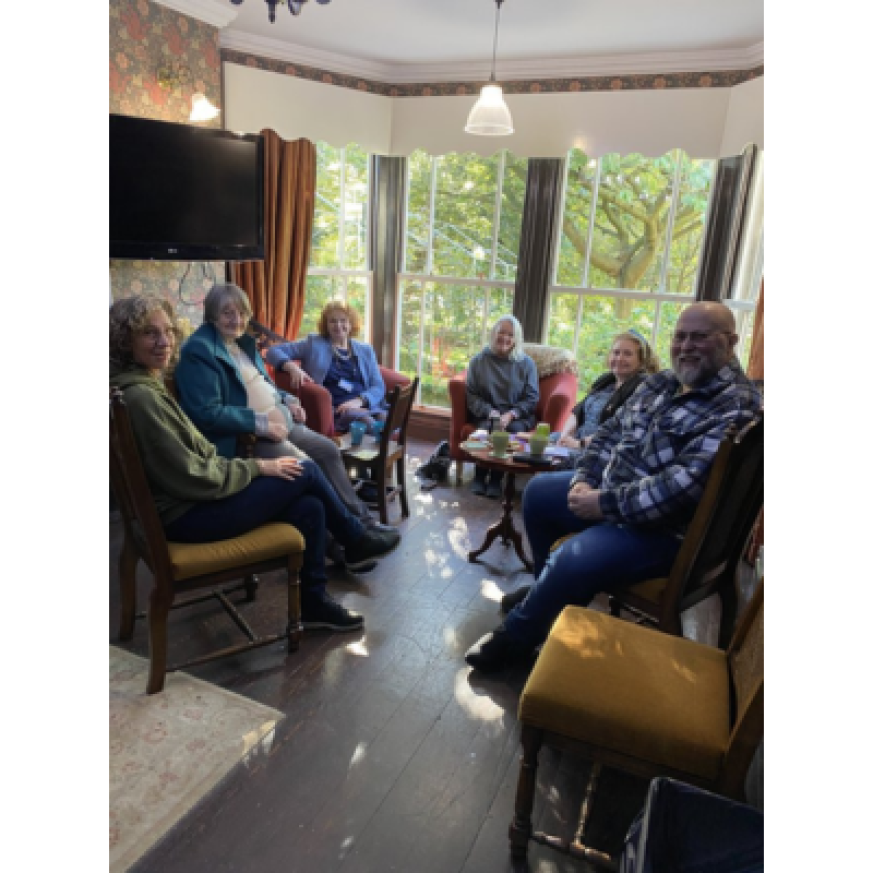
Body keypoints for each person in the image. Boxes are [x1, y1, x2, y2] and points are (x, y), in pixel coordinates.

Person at [465, 302, 762, 672]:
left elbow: (681, 487)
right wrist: (583, 479)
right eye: (680, 336)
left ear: (730, 342)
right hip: (611, 496)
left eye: (699, 337)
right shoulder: (660, 383)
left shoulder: (737, 404)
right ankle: (548, 591)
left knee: (574, 557)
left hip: (665, 531)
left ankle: (517, 638)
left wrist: (604, 504)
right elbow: (606, 434)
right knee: (540, 493)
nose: (685, 346)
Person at [110, 294, 401, 633]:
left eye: (167, 331)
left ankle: (315, 602)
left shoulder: (143, 387)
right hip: (186, 515)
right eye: (149, 333)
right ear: (125, 340)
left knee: (309, 506)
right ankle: (354, 538)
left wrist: (284, 407)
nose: (164, 341)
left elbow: (192, 457)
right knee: (303, 470)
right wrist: (259, 468)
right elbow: (193, 474)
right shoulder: (143, 398)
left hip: (195, 498)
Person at [173, 285, 396, 571]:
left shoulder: (241, 343)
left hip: (282, 423)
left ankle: (362, 525)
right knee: (306, 469)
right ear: (212, 315)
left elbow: (264, 384)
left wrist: (288, 399)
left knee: (328, 450)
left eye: (241, 313)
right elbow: (206, 413)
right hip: (248, 438)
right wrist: (262, 423)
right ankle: (343, 545)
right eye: (228, 313)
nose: (236, 320)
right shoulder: (199, 351)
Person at [265, 300, 388, 435]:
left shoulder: (365, 350)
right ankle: (364, 455)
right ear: (326, 325)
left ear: (351, 323)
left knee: (385, 420)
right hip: (336, 408)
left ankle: (381, 455)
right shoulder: (313, 344)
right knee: (368, 423)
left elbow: (378, 386)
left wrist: (359, 401)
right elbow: (273, 352)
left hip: (362, 403)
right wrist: (292, 367)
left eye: (343, 320)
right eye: (333, 321)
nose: (338, 325)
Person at [465, 314, 539, 498]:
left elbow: (531, 397)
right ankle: (480, 475)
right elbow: (471, 395)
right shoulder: (478, 361)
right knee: (488, 427)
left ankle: (497, 478)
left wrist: (511, 414)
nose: (505, 338)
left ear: (516, 339)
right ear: (493, 334)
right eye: (502, 332)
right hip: (487, 414)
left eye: (511, 335)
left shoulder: (526, 364)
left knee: (509, 430)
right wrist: (490, 412)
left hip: (517, 417)